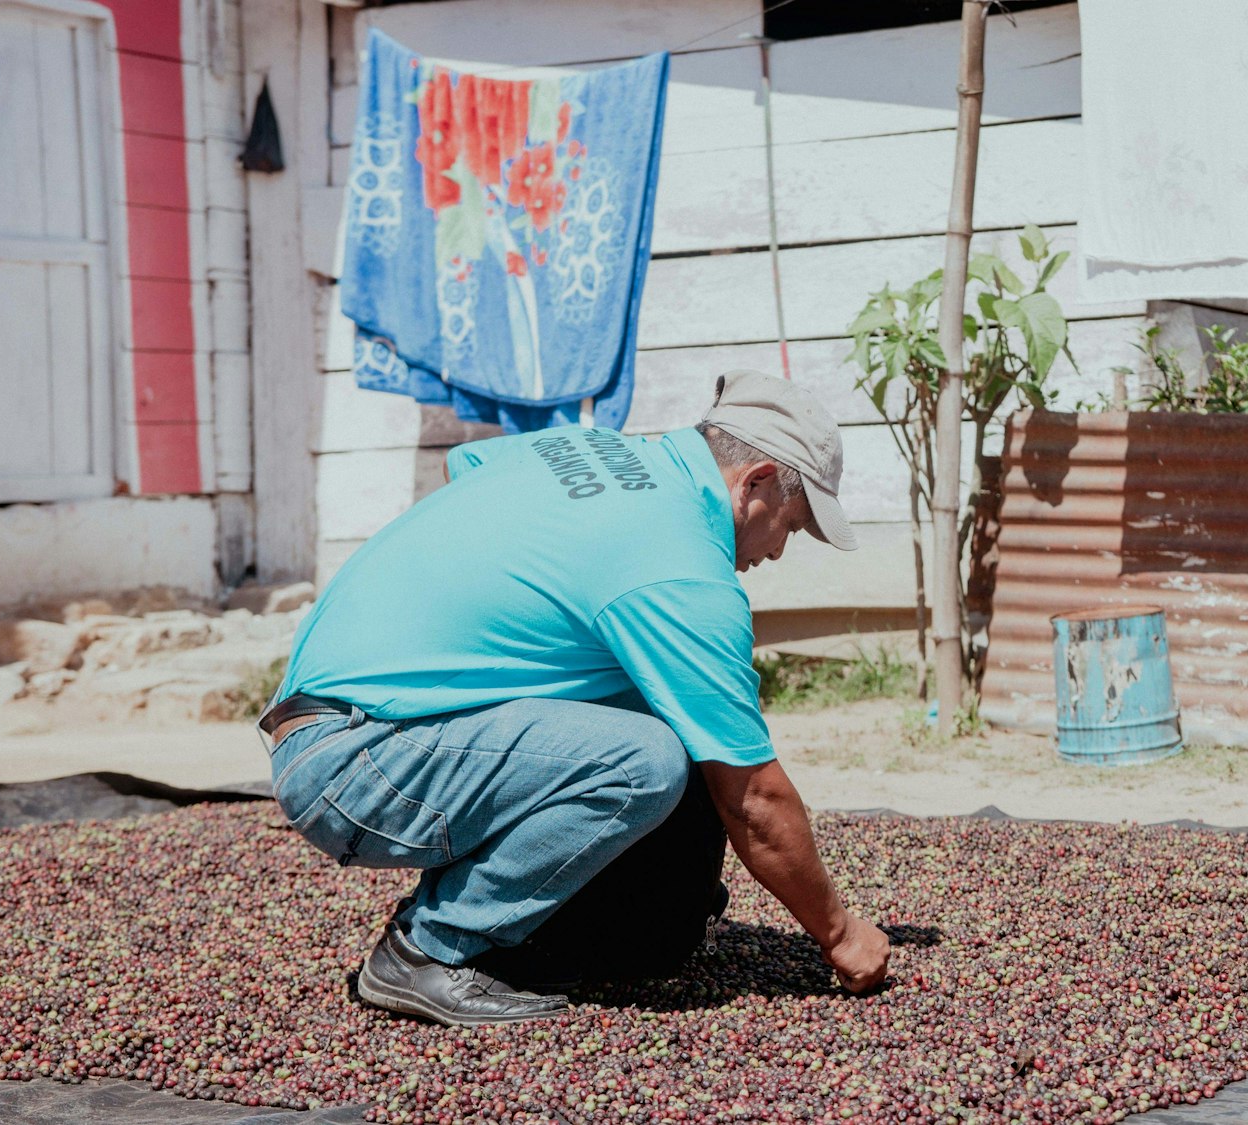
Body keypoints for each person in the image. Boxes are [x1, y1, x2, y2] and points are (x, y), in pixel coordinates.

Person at [259, 370, 890, 1026]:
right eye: (791, 522)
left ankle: (593, 908)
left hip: (328, 717)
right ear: (755, 482)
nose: (780, 549)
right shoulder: (680, 567)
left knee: (654, 704)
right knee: (643, 759)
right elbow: (754, 798)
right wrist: (840, 932)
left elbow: (470, 464)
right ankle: (428, 950)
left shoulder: (589, 452)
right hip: (356, 761)